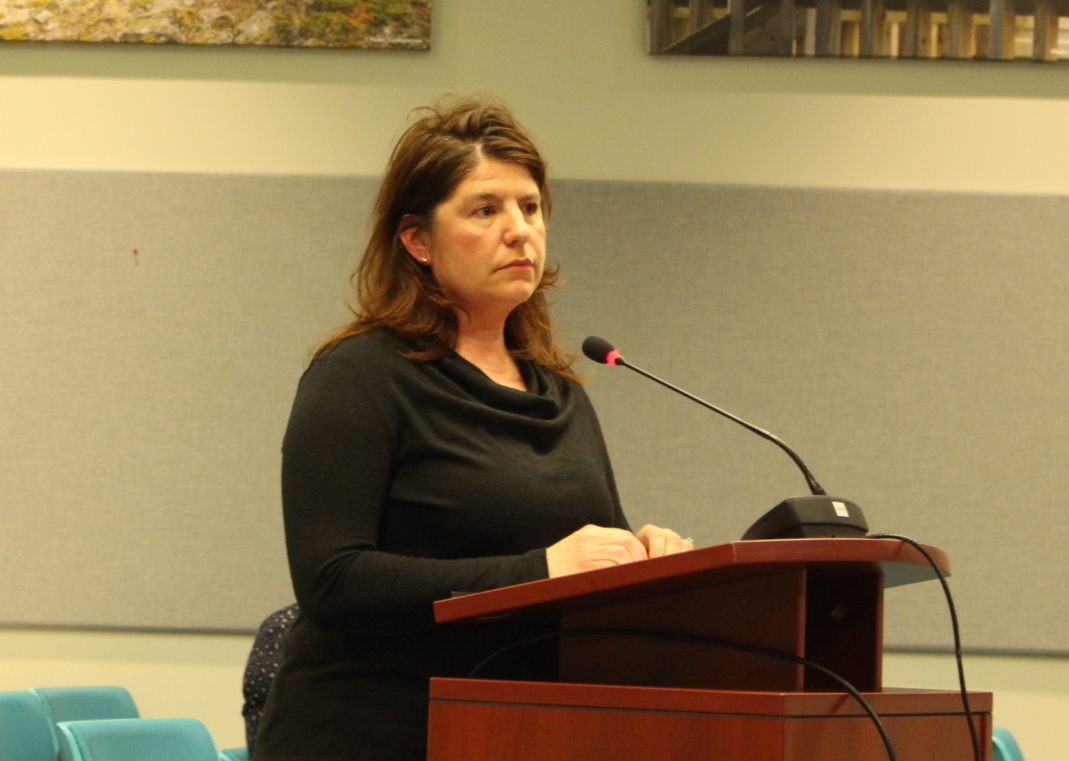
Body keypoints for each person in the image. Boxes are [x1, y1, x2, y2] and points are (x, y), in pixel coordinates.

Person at [252, 96, 693, 761]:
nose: (519, 230)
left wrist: (641, 560)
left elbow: (580, 569)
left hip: (519, 733)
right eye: (485, 210)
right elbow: (332, 581)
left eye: (530, 207)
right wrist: (539, 569)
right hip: (371, 734)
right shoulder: (359, 376)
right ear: (417, 240)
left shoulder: (559, 391)